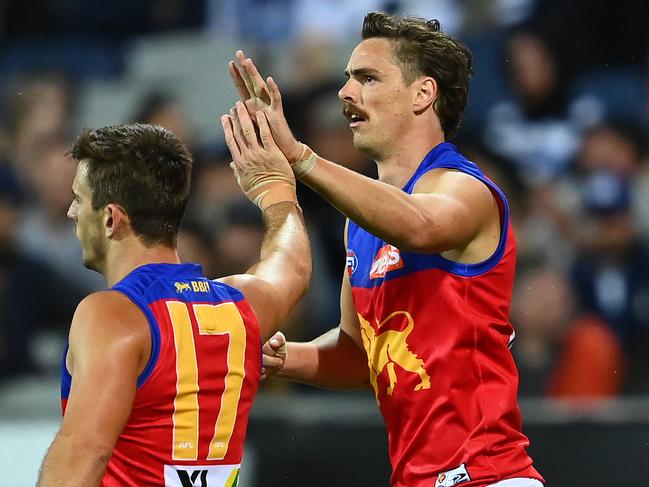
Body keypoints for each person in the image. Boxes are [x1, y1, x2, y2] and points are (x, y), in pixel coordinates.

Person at [226, 11, 544, 487]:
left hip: (486, 475)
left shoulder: (465, 189)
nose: (345, 93)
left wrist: (301, 158)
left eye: (368, 78)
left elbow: (420, 225)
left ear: (423, 94)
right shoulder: (361, 223)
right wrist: (279, 358)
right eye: (347, 79)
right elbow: (360, 354)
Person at [37, 121, 311, 486]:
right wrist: (276, 189)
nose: (72, 212)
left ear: (109, 218)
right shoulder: (240, 308)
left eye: (79, 199)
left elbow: (84, 453)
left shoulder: (112, 315)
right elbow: (292, 265)